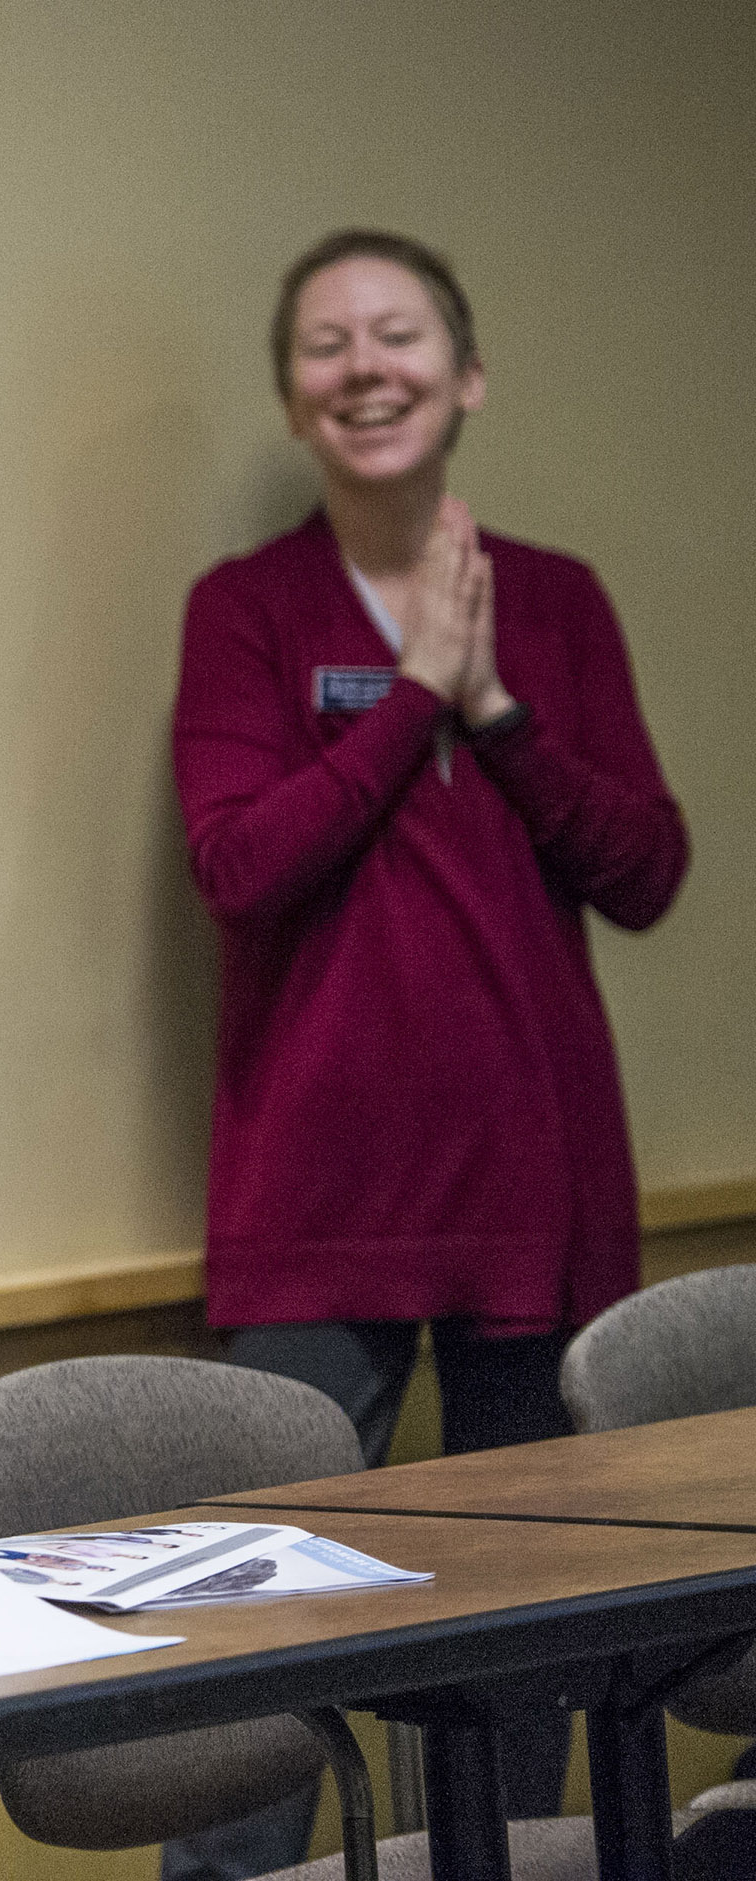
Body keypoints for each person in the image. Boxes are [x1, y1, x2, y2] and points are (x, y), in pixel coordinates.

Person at [169, 230, 688, 1876]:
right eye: (327, 344)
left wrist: (501, 715)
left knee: (542, 1624)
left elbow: (646, 870)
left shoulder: (558, 601)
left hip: (538, 1194)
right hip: (318, 1194)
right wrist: (415, 693)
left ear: (467, 377)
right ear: (294, 396)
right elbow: (240, 863)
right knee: (266, 1614)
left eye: (400, 336)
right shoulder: (245, 611)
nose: (364, 366)